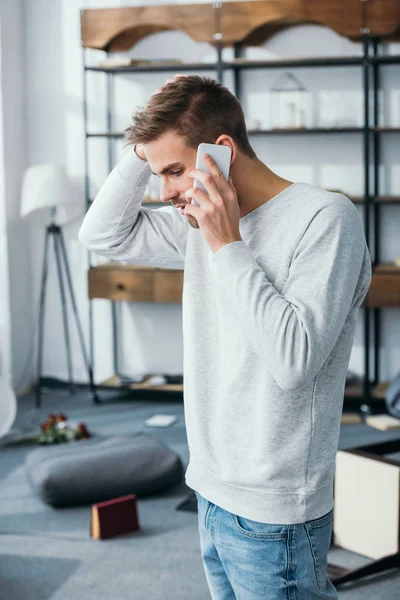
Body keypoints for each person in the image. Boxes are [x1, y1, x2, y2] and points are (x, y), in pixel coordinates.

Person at [78, 75, 372, 599]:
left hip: (275, 506)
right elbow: (100, 235)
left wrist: (226, 241)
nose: (165, 192)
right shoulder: (195, 220)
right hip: (211, 487)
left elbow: (294, 359)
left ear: (223, 152)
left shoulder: (325, 219)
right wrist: (140, 152)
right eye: (157, 174)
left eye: (174, 171)